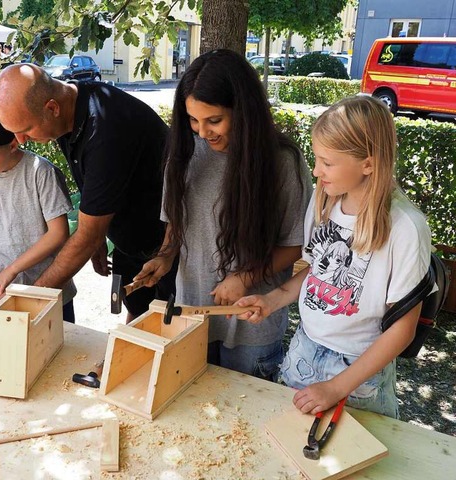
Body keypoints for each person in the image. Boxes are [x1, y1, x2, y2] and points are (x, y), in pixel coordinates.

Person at [236, 96, 433, 418]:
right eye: (317, 159)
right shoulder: (324, 200)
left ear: (368, 163)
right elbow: (317, 271)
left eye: (327, 162)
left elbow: (403, 329)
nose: (316, 171)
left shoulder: (406, 227)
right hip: (304, 346)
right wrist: (271, 299)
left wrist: (337, 387)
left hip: (358, 370)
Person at [134, 49, 312, 380]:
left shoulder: (282, 162)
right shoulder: (185, 151)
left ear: (243, 111)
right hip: (192, 315)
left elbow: (297, 245)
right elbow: (178, 221)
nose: (203, 132)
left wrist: (245, 277)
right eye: (192, 120)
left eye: (214, 120)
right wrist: (165, 256)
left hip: (251, 329)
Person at [0, 64, 176, 320]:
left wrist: (32, 301)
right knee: (137, 313)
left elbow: (87, 234)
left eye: (26, 130)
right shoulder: (69, 112)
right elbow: (91, 184)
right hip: (131, 239)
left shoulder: (106, 129)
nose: (20, 140)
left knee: (170, 325)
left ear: (52, 108)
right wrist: (98, 239)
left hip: (170, 244)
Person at [0, 102, 77, 322]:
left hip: (49, 289)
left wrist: (11, 270)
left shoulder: (40, 172)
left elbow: (58, 233)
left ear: (12, 144)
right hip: (4, 292)